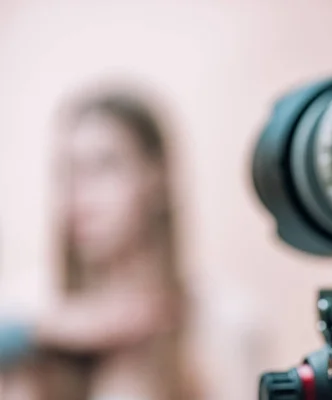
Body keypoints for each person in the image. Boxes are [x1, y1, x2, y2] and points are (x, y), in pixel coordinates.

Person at [0, 91, 198, 400]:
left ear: (155, 177)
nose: (80, 192)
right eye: (68, 170)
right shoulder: (28, 307)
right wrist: (40, 331)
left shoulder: (222, 323)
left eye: (104, 166)